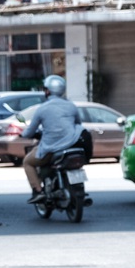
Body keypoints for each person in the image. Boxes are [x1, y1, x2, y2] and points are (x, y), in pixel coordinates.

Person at [21, 74, 83, 203]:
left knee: (27, 162)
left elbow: (30, 131)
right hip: (72, 146)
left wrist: (23, 134)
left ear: (48, 91)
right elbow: (78, 124)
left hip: (51, 148)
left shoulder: (42, 108)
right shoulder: (71, 106)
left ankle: (38, 191)